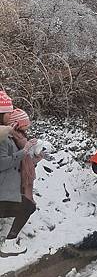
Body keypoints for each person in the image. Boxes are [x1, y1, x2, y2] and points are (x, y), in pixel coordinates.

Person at [0, 96, 38, 256]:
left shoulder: (12, 136)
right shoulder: (4, 138)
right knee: (28, 207)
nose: (11, 115)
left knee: (28, 206)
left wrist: (36, 157)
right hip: (3, 190)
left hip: (9, 189)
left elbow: (21, 162)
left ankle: (8, 241)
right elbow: (2, 164)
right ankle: (7, 244)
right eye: (8, 112)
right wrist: (24, 152)